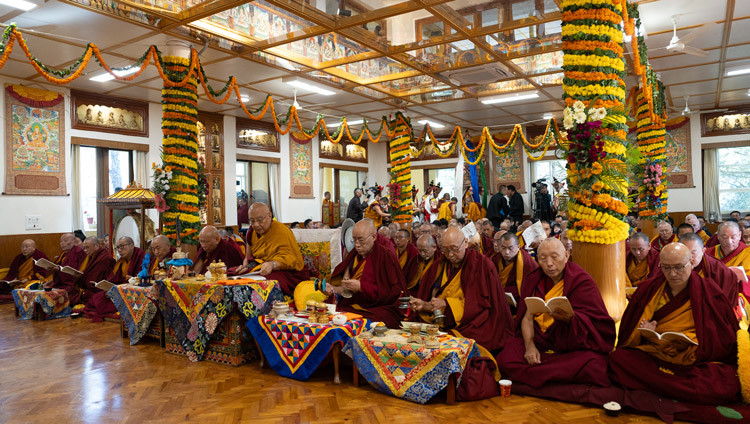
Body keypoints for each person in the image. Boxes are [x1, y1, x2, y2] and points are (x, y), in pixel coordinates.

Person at [608, 243, 740, 404]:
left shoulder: (710, 292)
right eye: (666, 267)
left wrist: (694, 343)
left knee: (727, 380)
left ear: (691, 263)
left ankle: (658, 386)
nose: (672, 273)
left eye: (678, 267)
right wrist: (645, 332)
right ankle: (676, 389)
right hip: (655, 353)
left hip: (693, 359)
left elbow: (723, 340)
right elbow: (628, 335)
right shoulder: (648, 290)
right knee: (618, 359)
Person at [496, 238, 615, 389]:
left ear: (566, 255)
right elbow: (527, 318)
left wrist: (571, 319)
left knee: (593, 363)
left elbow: (596, 324)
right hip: (539, 339)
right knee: (506, 358)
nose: (549, 263)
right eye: (543, 258)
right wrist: (530, 346)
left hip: (568, 344)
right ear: (537, 260)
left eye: (554, 256)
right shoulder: (533, 279)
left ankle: (536, 375)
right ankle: (554, 376)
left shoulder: (581, 281)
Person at [410, 227, 513, 354]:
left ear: (465, 242)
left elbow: (479, 304)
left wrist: (446, 304)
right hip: (440, 319)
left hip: (470, 323)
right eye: (445, 250)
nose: (450, 254)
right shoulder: (438, 266)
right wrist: (424, 305)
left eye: (454, 248)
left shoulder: (482, 265)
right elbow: (433, 299)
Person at [326, 219, 405, 327]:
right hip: (354, 303)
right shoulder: (353, 255)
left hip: (378, 306)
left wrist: (361, 287)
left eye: (361, 240)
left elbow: (390, 293)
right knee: (330, 311)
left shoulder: (384, 256)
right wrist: (333, 289)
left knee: (375, 319)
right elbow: (346, 291)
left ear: (374, 237)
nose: (357, 245)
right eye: (354, 240)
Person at [236, 203, 309, 295]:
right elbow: (248, 257)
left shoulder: (281, 231)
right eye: (252, 221)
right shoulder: (251, 232)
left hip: (285, 271)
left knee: (265, 283)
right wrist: (245, 267)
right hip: (260, 267)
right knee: (234, 275)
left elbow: (291, 259)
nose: (256, 225)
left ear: (270, 216)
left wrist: (272, 264)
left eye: (259, 220)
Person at [679, 232, 739, 307]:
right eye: (684, 252)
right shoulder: (671, 265)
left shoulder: (716, 268)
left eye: (693, 253)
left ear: (703, 251)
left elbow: (725, 303)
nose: (689, 257)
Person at [492, 232, 538, 313]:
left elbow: (531, 288)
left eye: (510, 248)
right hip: (496, 301)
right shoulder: (494, 260)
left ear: (518, 247)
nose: (506, 252)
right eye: (503, 247)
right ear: (499, 247)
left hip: (517, 305)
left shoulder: (528, 263)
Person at [44, 233, 86, 302]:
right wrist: (51, 281)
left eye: (65, 241)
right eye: (61, 241)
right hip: (61, 284)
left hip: (72, 285)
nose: (62, 243)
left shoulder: (78, 252)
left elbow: (74, 273)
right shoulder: (63, 254)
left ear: (74, 242)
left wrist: (58, 269)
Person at [78, 236, 116, 305]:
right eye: (84, 248)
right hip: (89, 288)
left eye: (87, 247)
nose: (85, 250)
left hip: (98, 290)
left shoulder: (105, 258)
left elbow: (107, 279)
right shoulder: (90, 257)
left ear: (96, 246)